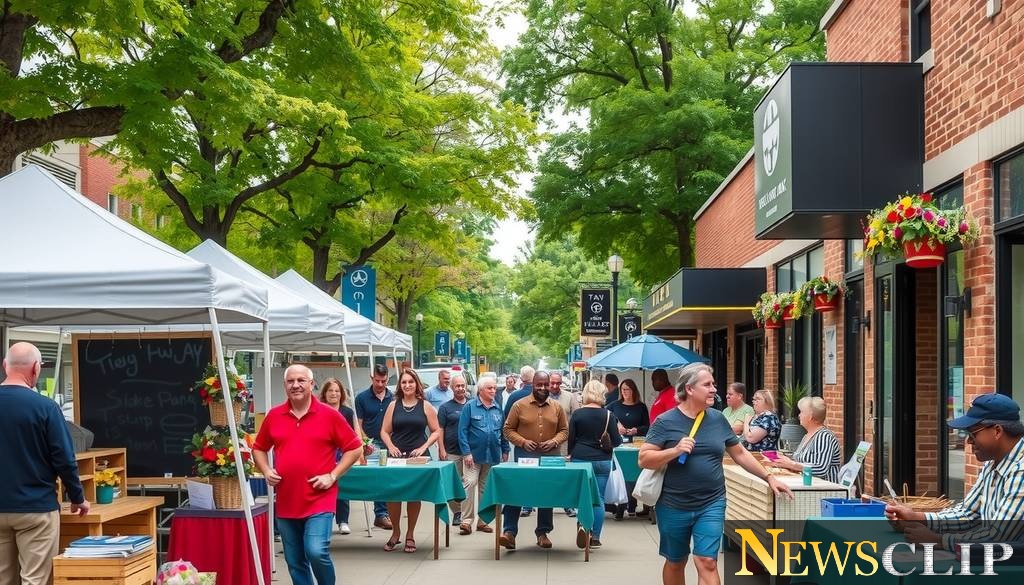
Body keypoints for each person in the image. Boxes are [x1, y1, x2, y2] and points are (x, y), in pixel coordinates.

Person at [639, 363, 793, 585]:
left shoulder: (717, 419)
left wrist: (769, 477)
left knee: (707, 561)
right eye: (707, 384)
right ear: (690, 389)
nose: (714, 389)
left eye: (714, 384)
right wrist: (674, 450)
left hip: (711, 503)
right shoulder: (666, 422)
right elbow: (644, 458)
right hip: (673, 504)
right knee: (676, 561)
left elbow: (739, 453)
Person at [253, 365, 362, 585]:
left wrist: (332, 475)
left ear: (311, 384)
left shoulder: (330, 415)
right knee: (294, 561)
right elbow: (258, 448)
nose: (296, 385)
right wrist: (266, 470)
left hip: (320, 499)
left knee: (315, 551)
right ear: (285, 386)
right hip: (287, 499)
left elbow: (355, 448)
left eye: (301, 380)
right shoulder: (275, 416)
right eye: (291, 381)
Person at [0, 342, 90, 585]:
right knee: (35, 580)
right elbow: (63, 457)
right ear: (36, 368)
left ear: (5, 366)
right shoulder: (46, 407)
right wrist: (77, 497)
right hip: (36, 507)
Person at [886, 393, 1024, 548]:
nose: (969, 441)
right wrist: (918, 518)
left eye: (973, 433)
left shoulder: (1021, 471)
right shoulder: (993, 464)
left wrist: (937, 541)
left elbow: (997, 537)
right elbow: (969, 514)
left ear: (997, 431)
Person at [500, 371, 568, 550]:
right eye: (540, 385)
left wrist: (554, 441)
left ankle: (542, 533)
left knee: (546, 494)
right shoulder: (518, 405)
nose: (543, 388)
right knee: (516, 491)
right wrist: (522, 441)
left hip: (550, 459)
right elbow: (507, 429)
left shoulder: (557, 407)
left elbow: (564, 430)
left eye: (546, 385)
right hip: (525, 458)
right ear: (533, 385)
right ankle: (509, 532)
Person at [379, 368, 441, 553]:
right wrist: (390, 446)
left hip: (418, 458)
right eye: (404, 382)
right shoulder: (393, 405)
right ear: (400, 385)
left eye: (411, 382)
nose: (407, 385)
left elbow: (437, 430)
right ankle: (395, 533)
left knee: (414, 495)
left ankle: (410, 534)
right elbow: (384, 431)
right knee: (393, 495)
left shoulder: (425, 406)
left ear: (417, 385)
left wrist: (423, 447)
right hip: (396, 457)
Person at [568, 381, 622, 549]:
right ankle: (595, 537)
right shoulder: (608, 415)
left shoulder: (577, 414)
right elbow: (617, 441)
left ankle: (584, 527)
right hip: (603, 460)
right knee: (598, 499)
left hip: (581, 459)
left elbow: (571, 440)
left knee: (583, 497)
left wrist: (572, 453)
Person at [457, 374, 509, 534]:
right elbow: (462, 431)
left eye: (494, 388)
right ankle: (466, 521)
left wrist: (505, 449)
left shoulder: (498, 407)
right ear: (480, 390)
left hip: (493, 454)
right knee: (469, 483)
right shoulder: (470, 407)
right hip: (473, 455)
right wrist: (466, 453)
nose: (493, 391)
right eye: (490, 388)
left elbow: (502, 430)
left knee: (485, 489)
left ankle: (483, 521)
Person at [318, 378, 360, 535]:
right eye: (330, 390)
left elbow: (354, 435)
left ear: (341, 394)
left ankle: (343, 520)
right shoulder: (318, 410)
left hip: (342, 453)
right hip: (323, 454)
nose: (334, 393)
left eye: (337, 391)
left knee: (341, 485)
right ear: (325, 393)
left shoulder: (347, 412)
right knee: (324, 488)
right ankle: (326, 520)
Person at [354, 364, 394, 529]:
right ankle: (381, 513)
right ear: (372, 378)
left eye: (384, 381)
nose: (380, 384)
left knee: (390, 479)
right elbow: (358, 423)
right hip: (372, 442)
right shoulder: (362, 398)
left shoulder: (392, 397)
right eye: (377, 380)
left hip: (391, 442)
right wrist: (365, 442)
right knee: (379, 478)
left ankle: (387, 511)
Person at [606, 378, 651, 519]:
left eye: (628, 389)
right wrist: (617, 424)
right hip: (619, 446)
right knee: (623, 474)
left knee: (635, 474)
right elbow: (604, 416)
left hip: (637, 445)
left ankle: (632, 503)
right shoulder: (614, 406)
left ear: (634, 391)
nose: (625, 392)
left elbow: (647, 426)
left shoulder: (641, 407)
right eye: (623, 389)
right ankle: (622, 504)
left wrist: (636, 430)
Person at [768, 396, 841, 481]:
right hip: (808, 486)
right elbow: (799, 460)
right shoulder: (807, 436)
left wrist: (791, 464)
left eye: (802, 412)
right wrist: (784, 459)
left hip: (823, 489)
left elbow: (821, 469)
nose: (799, 415)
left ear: (810, 416)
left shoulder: (824, 436)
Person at [438, 373, 470, 531]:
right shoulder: (445, 408)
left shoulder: (472, 405)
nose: (460, 388)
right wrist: (441, 449)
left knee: (468, 483)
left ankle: (466, 515)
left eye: (463, 385)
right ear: (452, 388)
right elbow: (440, 429)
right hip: (451, 451)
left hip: (470, 452)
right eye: (457, 386)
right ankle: (457, 512)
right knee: (452, 483)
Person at [503, 365, 536, 518]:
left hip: (521, 443)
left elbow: (506, 420)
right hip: (543, 444)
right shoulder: (541, 394)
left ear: (521, 378)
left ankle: (526, 504)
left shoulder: (514, 396)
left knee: (524, 474)